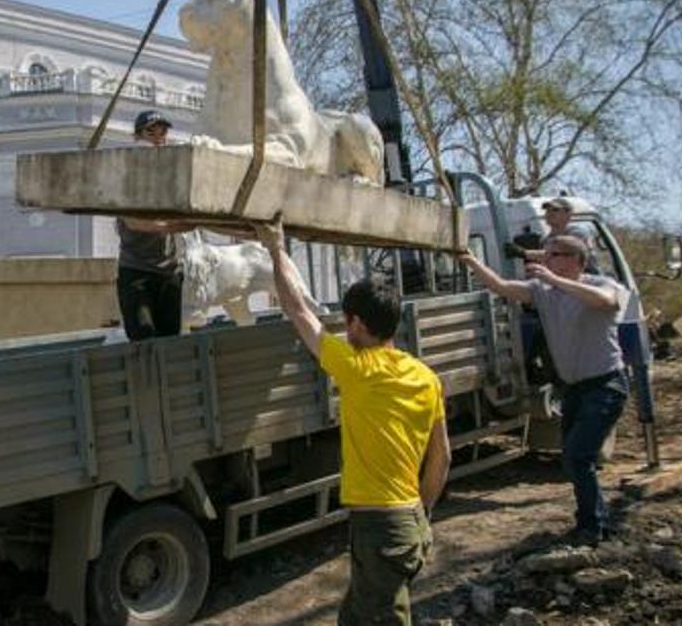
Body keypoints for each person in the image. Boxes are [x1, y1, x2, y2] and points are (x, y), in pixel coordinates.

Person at [254, 217, 451, 626]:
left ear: (358, 324)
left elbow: (296, 310)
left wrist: (274, 248)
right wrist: (422, 511)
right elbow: (442, 458)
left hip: (381, 525)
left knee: (382, 618)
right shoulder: (425, 377)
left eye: (346, 321)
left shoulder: (357, 370)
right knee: (357, 615)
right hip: (409, 518)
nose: (343, 329)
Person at [458, 235, 629, 547]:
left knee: (578, 457)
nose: (543, 261)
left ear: (576, 260)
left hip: (605, 385)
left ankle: (593, 528)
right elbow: (503, 288)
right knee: (575, 458)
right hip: (573, 389)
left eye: (553, 255)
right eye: (545, 255)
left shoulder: (604, 284)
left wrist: (555, 281)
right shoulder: (543, 290)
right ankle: (595, 521)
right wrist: (472, 262)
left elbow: (605, 302)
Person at [116, 110, 189, 340]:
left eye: (163, 132)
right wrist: (170, 226)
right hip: (137, 273)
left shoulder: (171, 177)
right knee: (144, 340)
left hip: (170, 273)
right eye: (150, 132)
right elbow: (132, 221)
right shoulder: (128, 175)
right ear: (137, 138)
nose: (158, 138)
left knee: (170, 342)